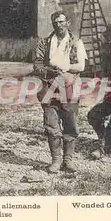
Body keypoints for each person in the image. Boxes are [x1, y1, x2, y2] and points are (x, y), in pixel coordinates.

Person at [33, 10, 88, 174]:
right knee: (51, 125)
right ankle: (56, 160)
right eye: (55, 23)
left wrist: (66, 68)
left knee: (70, 125)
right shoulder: (45, 43)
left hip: (69, 88)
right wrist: (49, 71)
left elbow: (81, 66)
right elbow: (37, 65)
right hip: (49, 87)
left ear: (68, 23)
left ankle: (68, 160)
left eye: (61, 22)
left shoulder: (76, 42)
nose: (59, 25)